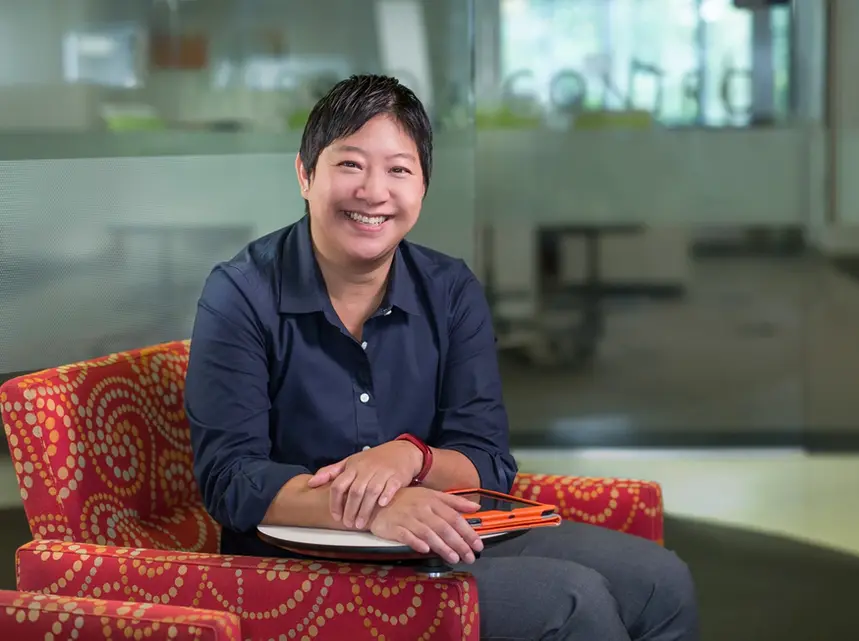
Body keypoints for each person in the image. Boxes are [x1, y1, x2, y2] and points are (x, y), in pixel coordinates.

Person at [184, 74, 699, 641]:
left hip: (438, 534)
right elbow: (231, 480)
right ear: (306, 174)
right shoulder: (241, 292)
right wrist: (374, 509)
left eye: (399, 170)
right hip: (298, 564)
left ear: (423, 187)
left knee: (660, 581)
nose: (374, 191)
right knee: (573, 603)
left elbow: (487, 463)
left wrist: (412, 459)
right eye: (350, 164)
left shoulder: (449, 289)